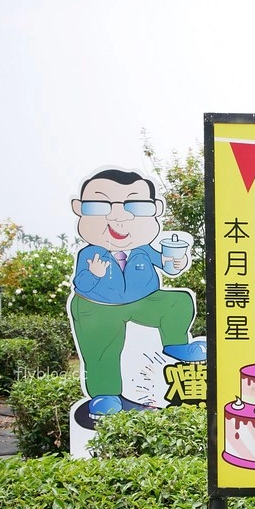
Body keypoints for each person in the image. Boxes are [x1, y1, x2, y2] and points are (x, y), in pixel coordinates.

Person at [69, 168, 206, 417]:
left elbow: (166, 265)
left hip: (142, 300)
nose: (119, 217)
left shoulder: (143, 249)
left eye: (136, 206)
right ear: (79, 208)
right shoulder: (90, 254)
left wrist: (176, 262)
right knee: (102, 347)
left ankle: (176, 344)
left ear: (155, 210)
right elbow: (81, 284)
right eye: (101, 206)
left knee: (178, 301)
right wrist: (94, 275)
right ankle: (105, 393)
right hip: (98, 305)